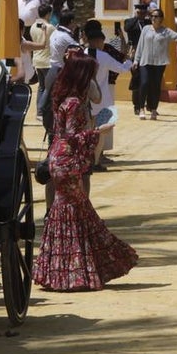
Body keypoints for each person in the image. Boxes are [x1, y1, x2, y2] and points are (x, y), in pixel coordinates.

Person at [33, 54, 138, 292]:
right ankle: (74, 272)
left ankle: (61, 272)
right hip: (67, 160)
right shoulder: (74, 103)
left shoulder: (64, 99)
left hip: (58, 158)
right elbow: (73, 136)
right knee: (75, 211)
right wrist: (99, 131)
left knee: (67, 212)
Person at [83, 20, 132, 171]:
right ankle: (96, 161)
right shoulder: (104, 56)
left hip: (85, 99)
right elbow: (122, 69)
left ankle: (86, 159)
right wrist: (130, 60)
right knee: (102, 132)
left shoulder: (81, 54)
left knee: (87, 130)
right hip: (103, 99)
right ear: (99, 41)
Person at [131, 8, 177, 120]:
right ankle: (141, 108)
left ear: (161, 18)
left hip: (159, 63)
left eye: (155, 16)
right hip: (145, 62)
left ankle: (153, 109)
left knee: (156, 86)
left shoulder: (166, 31)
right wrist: (136, 60)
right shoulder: (146, 29)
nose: (153, 18)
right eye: (152, 16)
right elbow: (140, 45)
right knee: (144, 83)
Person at [123, 3, 151, 117]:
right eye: (140, 13)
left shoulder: (148, 23)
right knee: (137, 79)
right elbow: (127, 28)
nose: (142, 15)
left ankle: (149, 104)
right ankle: (137, 106)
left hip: (148, 52)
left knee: (148, 80)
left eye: (144, 13)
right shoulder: (130, 22)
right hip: (135, 52)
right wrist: (136, 18)